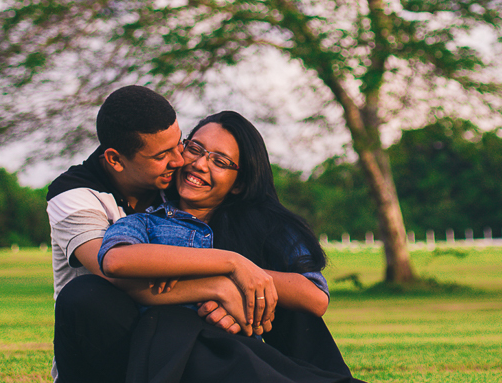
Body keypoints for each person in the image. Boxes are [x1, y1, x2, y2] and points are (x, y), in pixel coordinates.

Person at [98, 111, 363, 382]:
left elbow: (315, 298)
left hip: (239, 349)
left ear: (240, 184)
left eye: (220, 161)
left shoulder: (265, 228)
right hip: (172, 350)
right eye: (195, 149)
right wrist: (229, 268)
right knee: (174, 324)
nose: (200, 164)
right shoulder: (147, 222)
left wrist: (246, 282)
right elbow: (115, 261)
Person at [49, 84, 210, 383]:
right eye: (162, 155)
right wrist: (222, 281)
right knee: (86, 295)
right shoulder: (73, 194)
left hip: (177, 338)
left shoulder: (178, 184)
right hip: (107, 349)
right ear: (115, 159)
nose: (178, 160)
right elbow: (115, 271)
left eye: (180, 143)